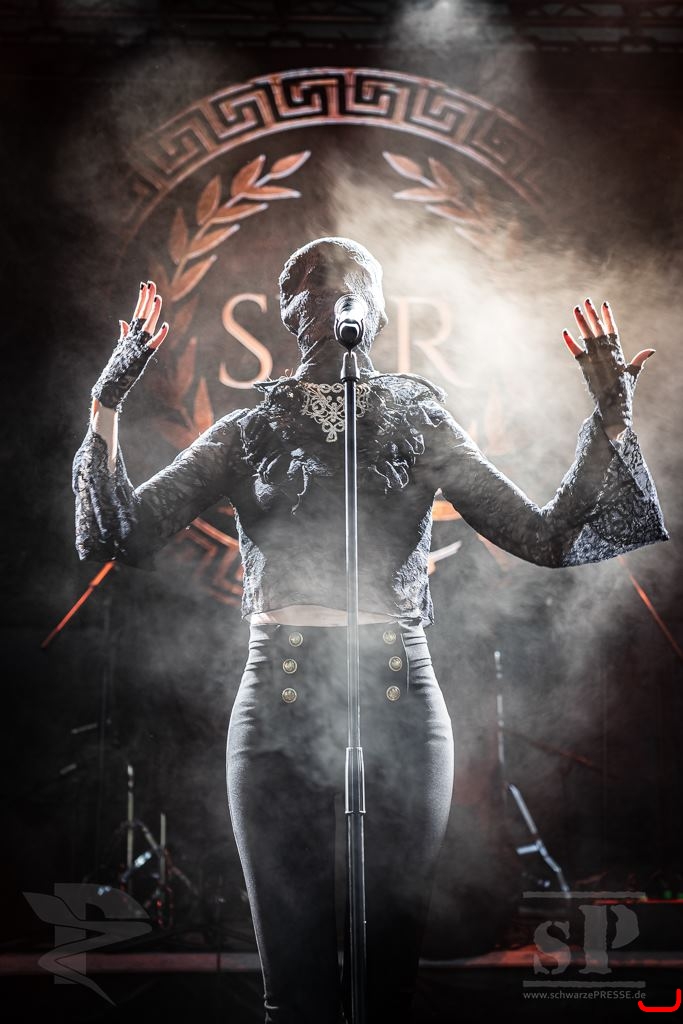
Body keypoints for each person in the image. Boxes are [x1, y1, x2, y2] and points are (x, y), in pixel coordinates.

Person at [73, 237, 668, 1023]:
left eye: (351, 283)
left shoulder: (418, 421)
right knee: (295, 988)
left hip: (397, 699)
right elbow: (121, 532)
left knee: (386, 981)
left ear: (376, 311)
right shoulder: (248, 428)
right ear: (289, 313)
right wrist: (107, 403)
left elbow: (547, 536)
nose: (331, 296)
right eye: (310, 284)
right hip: (277, 700)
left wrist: (609, 419)